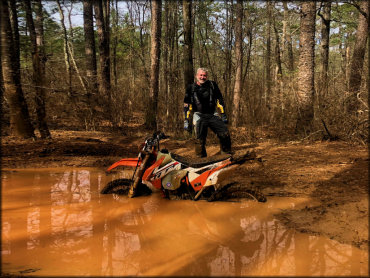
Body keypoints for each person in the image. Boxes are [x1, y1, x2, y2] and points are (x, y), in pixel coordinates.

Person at [183, 68, 232, 157]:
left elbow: (219, 100)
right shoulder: (191, 87)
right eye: (201, 75)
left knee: (224, 133)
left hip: (212, 114)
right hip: (198, 115)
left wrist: (223, 114)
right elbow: (187, 105)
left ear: (207, 76)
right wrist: (186, 120)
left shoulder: (212, 85)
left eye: (204, 75)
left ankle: (226, 154)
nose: (202, 77)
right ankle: (201, 159)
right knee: (199, 139)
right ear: (196, 76)